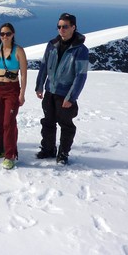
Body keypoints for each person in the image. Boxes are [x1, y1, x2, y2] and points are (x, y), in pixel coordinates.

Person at [35, 13, 89, 165]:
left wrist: (71, 97)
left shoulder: (80, 50)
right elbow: (44, 66)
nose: (61, 29)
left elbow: (81, 76)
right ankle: (48, 149)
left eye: (65, 26)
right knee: (48, 122)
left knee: (66, 125)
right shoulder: (52, 45)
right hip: (50, 91)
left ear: (73, 27)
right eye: (59, 26)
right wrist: (39, 86)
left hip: (64, 94)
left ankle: (63, 154)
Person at [0, 23, 28, 170]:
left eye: (8, 33)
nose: (5, 36)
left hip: (12, 89)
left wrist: (22, 93)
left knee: (8, 122)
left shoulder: (19, 51)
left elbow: (23, 73)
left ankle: (10, 155)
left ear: (13, 34)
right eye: (2, 34)